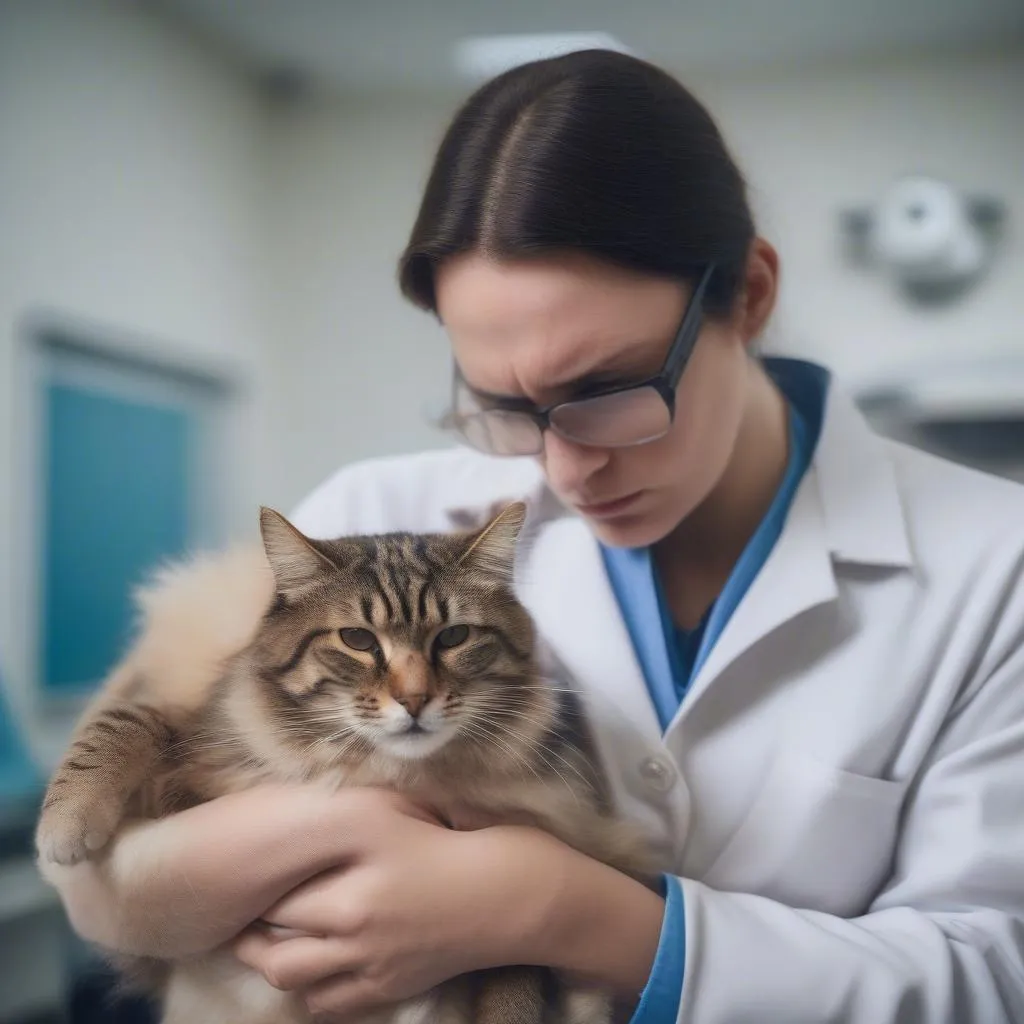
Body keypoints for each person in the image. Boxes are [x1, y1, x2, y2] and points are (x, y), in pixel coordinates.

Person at [43, 49, 1024, 1023]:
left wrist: (569, 911)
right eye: (503, 404)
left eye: (607, 392)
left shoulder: (995, 566)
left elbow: (993, 978)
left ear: (751, 295)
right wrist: (321, 857)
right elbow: (91, 876)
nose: (560, 468)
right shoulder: (369, 510)